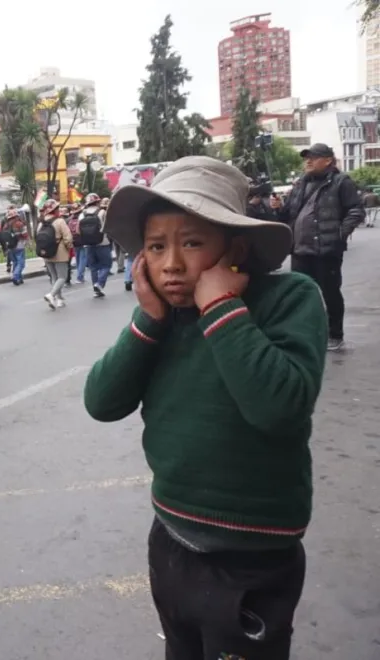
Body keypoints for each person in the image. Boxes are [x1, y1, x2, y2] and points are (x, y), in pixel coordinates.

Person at [85, 156, 327, 660]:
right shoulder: (163, 319)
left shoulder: (289, 299)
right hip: (171, 539)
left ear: (233, 248)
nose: (171, 263)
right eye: (156, 247)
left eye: (191, 242)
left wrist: (220, 308)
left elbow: (279, 407)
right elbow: (102, 402)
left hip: (254, 555)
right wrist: (147, 321)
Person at [270, 143, 364, 351]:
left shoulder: (341, 182)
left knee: (330, 293)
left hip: (326, 250)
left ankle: (335, 335)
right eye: (306, 158)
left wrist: (340, 235)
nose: (308, 161)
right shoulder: (301, 184)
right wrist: (277, 209)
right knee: (300, 293)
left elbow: (356, 211)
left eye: (313, 157)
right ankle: (306, 332)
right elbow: (288, 214)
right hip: (300, 250)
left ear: (328, 160)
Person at [36, 201, 73, 310]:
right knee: (62, 277)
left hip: (46, 252)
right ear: (54, 210)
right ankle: (51, 295)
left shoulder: (41, 223)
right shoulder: (60, 221)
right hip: (60, 251)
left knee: (54, 277)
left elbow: (37, 237)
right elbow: (68, 237)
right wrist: (68, 247)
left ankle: (59, 299)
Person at [77, 193, 112, 297]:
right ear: (97, 201)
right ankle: (100, 284)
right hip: (103, 243)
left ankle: (96, 290)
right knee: (106, 265)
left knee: (93, 267)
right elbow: (107, 226)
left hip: (88, 245)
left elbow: (78, 231)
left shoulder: (82, 214)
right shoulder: (102, 212)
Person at [3, 209, 29, 285]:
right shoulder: (19, 224)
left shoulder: (6, 226)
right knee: (21, 263)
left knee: (15, 262)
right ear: (16, 216)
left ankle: (19, 279)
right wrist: (28, 242)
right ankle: (15, 276)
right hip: (19, 245)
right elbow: (25, 234)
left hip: (10, 246)